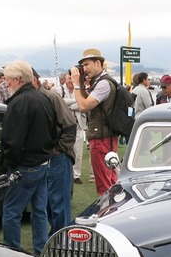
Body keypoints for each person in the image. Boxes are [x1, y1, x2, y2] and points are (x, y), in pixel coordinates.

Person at [0, 60, 56, 255]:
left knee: (11, 212)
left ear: (17, 79)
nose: (6, 84)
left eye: (7, 79)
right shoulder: (43, 98)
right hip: (42, 163)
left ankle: (12, 253)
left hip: (25, 166)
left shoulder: (19, 102)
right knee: (39, 211)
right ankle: (41, 250)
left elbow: (12, 139)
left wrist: (9, 163)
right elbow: (54, 130)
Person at [69, 49, 120, 195]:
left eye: (86, 64)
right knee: (110, 180)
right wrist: (80, 83)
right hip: (107, 136)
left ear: (98, 63)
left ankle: (107, 213)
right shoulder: (104, 81)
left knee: (104, 184)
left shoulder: (103, 84)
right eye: (82, 66)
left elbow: (84, 106)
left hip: (101, 138)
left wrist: (76, 86)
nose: (84, 69)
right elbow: (86, 100)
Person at [32, 69, 77, 234]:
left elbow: (70, 124)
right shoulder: (36, 98)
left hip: (57, 158)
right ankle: (54, 240)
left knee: (59, 204)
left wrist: (59, 149)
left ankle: (61, 242)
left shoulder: (51, 97)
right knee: (48, 204)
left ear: (33, 80)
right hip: (44, 158)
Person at [60, 72, 87, 184]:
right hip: (64, 126)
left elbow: (83, 106)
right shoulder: (58, 90)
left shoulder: (79, 90)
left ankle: (76, 175)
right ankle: (67, 173)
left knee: (78, 151)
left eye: (72, 79)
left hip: (78, 124)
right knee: (65, 150)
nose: (70, 81)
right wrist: (77, 103)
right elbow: (60, 103)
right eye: (69, 79)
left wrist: (70, 105)